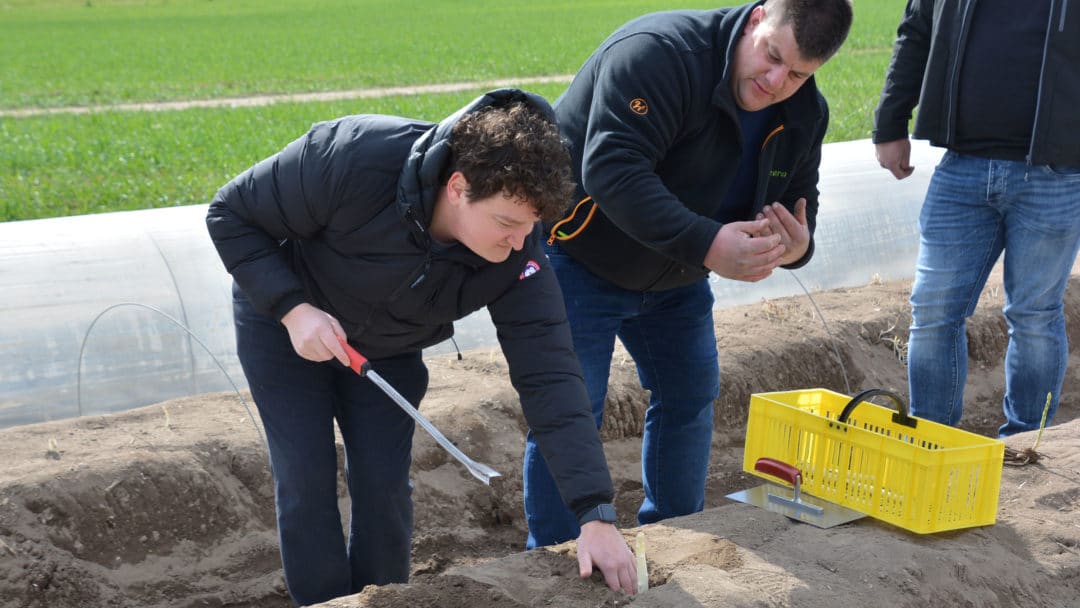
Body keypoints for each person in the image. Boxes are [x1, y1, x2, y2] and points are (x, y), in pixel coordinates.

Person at [205, 89, 637, 606]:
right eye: (506, 222)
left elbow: (551, 376)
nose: (521, 242)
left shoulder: (519, 256)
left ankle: (383, 598)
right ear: (458, 187)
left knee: (384, 485)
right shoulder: (353, 156)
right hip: (287, 328)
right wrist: (292, 309)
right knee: (305, 481)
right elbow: (230, 213)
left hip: (388, 348)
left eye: (531, 226)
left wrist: (596, 514)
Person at [525, 0, 853, 549]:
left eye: (798, 73)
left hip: (678, 276)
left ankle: (675, 537)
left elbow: (801, 204)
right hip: (580, 255)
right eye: (771, 56)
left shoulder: (804, 115)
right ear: (757, 18)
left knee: (690, 394)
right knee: (573, 407)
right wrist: (709, 243)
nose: (776, 81)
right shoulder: (659, 56)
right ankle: (553, 556)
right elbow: (610, 171)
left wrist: (796, 247)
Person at [873, 0, 1080, 437]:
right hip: (962, 166)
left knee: (1034, 315)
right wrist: (890, 122)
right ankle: (931, 441)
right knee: (932, 308)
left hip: (1055, 171)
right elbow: (917, 29)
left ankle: (1026, 447)